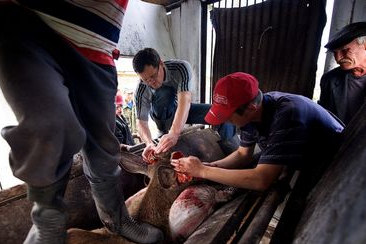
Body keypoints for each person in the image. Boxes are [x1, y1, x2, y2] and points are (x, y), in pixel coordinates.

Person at [0, 0, 162, 244]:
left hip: (98, 53)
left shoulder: (178, 73)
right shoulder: (142, 90)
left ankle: (117, 220)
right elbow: (142, 121)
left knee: (104, 150)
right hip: (30, 29)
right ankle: (47, 221)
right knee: (49, 125)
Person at [171, 72, 344, 193]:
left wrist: (202, 171)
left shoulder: (288, 113)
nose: (225, 121)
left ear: (251, 108)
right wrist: (211, 166)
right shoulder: (252, 112)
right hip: (308, 160)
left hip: (337, 165)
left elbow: (261, 180)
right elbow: (243, 154)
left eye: (228, 116)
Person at [132, 48, 237, 161]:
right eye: (145, 79)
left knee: (221, 114)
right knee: (164, 92)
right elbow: (141, 122)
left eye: (153, 76)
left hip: (182, 109)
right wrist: (149, 143)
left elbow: (185, 101)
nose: (151, 82)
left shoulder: (180, 68)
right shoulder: (141, 88)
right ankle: (164, 130)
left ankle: (233, 153)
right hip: (162, 116)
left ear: (161, 64)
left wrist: (174, 133)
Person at [318, 22, 366, 125]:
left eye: (344, 50)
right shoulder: (329, 79)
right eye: (335, 52)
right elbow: (322, 118)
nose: (338, 59)